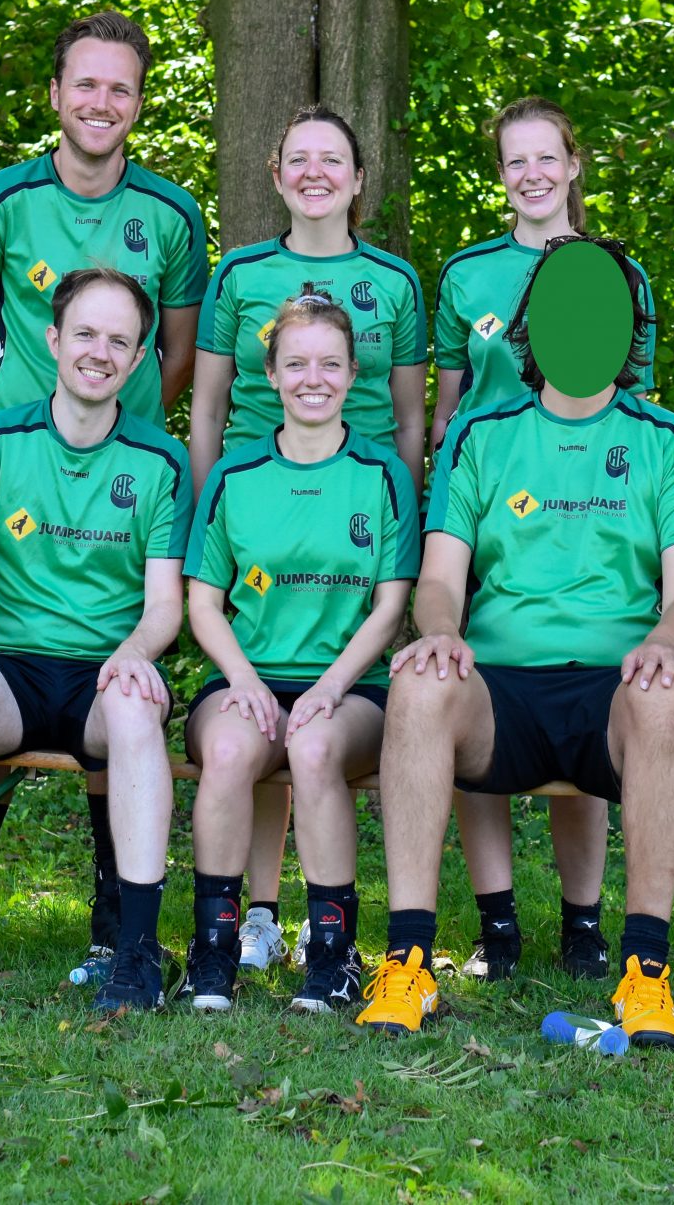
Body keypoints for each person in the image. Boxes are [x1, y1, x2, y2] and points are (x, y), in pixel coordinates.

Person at [355, 239, 674, 1048]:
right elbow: (439, 580)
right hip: (501, 692)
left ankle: (646, 972)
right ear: (531, 323)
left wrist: (665, 640)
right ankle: (407, 963)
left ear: (628, 327)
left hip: (612, 691)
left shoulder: (668, 439)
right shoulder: (479, 434)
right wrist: (439, 633)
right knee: (418, 680)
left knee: (668, 692)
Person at [0, 11, 208, 978]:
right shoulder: (0, 202)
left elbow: (178, 356)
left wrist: (114, 433)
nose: (101, 101)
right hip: (17, 483)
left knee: (115, 672)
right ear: (55, 94)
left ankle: (115, 906)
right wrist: (14, 443)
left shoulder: (172, 215)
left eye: (120, 86)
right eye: (84, 83)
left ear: (139, 101)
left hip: (123, 489)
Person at [0, 268, 190, 1015]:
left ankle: (136, 954)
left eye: (119, 340)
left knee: (135, 708)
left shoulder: (162, 460)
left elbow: (165, 606)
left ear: (140, 356)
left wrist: (134, 655)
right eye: (85, 333)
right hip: (14, 673)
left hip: (103, 676)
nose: (99, 352)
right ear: (53, 339)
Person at [429, 97, 661, 982]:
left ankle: (583, 921)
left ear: (573, 166)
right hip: (484, 508)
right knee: (466, 693)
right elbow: (446, 409)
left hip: (580, 516)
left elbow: (633, 409)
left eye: (545, 158)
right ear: (502, 175)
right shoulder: (466, 274)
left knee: (583, 694)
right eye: (514, 160)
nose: (531, 174)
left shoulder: (619, 274)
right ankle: (498, 925)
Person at [191, 104, 427, 969]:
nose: (316, 172)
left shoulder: (394, 282)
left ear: (360, 178)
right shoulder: (239, 272)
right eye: (299, 158)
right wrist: (211, 515)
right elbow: (207, 408)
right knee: (251, 716)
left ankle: (326, 937)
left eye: (334, 159)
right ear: (276, 173)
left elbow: (411, 418)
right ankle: (251, 917)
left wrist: (400, 519)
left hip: (353, 522)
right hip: (260, 524)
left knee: (316, 728)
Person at [177, 291, 418, 1013]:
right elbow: (202, 603)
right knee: (227, 749)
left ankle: (333, 957)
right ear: (271, 374)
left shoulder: (382, 475)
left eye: (330, 364)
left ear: (353, 374)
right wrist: (244, 680)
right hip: (247, 677)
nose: (314, 378)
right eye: (297, 364)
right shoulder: (234, 475)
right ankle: (213, 951)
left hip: (351, 689)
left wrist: (331, 687)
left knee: (311, 747)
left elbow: (390, 606)